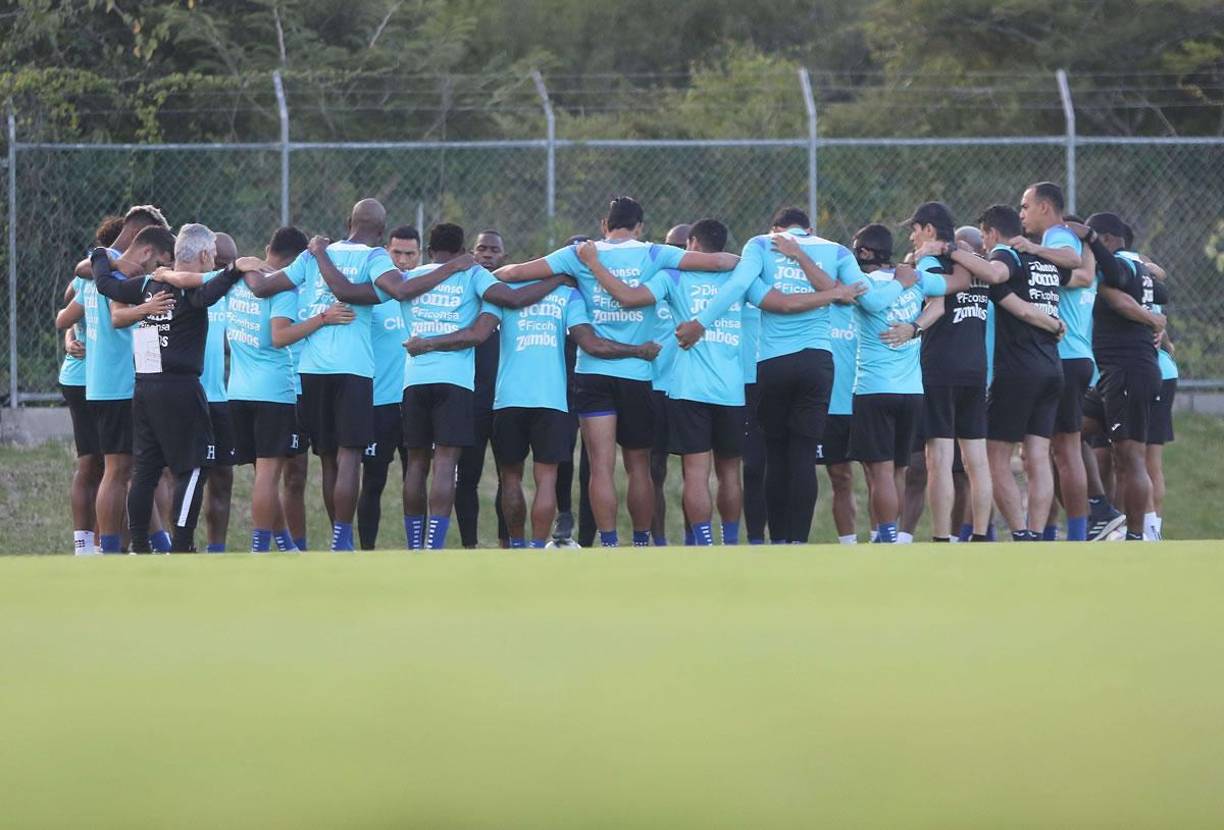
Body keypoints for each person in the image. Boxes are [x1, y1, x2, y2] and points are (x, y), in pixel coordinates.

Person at [493, 196, 738, 547]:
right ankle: (639, 541)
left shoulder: (579, 254)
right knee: (638, 465)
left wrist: (493, 272)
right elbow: (718, 262)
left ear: (603, 225)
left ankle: (609, 543)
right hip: (639, 372)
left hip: (593, 371)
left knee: (601, 465)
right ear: (640, 227)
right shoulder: (655, 253)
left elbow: (512, 273)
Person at [324, 223, 568, 549]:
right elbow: (514, 298)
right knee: (445, 463)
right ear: (463, 249)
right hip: (454, 381)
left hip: (413, 381)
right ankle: (433, 544)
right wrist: (559, 278)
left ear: (427, 251)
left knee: (416, 464)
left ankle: (414, 545)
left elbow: (359, 293)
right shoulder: (471, 273)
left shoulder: (409, 277)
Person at [676, 207, 908, 544]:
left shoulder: (761, 243)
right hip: (817, 362)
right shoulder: (836, 250)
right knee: (802, 453)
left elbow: (741, 284)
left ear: (776, 229)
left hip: (773, 363)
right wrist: (899, 283)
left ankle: (779, 539)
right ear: (810, 229)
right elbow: (869, 301)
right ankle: (798, 541)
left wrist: (701, 323)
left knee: (775, 453)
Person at [240, 199, 447, 551]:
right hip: (353, 369)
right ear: (381, 232)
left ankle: (341, 542)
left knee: (328, 458)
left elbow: (261, 288)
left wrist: (242, 267)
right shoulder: (373, 257)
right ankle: (341, 540)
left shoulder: (310, 255)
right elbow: (398, 287)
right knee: (350, 455)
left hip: (311, 370)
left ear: (347, 221)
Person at [409, 262, 655, 548]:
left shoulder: (499, 293)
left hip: (508, 399)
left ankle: (516, 546)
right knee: (546, 479)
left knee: (510, 478)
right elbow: (591, 344)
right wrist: (637, 350)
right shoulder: (567, 294)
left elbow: (479, 332)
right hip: (550, 399)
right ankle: (538, 547)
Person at [90, 224, 241, 552]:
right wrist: (234, 269)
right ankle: (183, 545)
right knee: (195, 466)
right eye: (212, 257)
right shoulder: (190, 290)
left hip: (144, 388)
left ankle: (141, 545)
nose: (214, 262)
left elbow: (104, 284)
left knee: (146, 469)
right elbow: (210, 292)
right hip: (180, 388)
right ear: (203, 255)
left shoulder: (148, 283)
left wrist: (100, 255)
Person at [958, 205, 1070, 540]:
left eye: (985, 242)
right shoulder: (1044, 260)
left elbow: (995, 276)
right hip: (1052, 366)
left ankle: (1021, 532)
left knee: (995, 456)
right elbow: (1076, 272)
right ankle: (1037, 534)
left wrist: (953, 251)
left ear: (990, 233)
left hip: (1019, 369)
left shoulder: (1006, 253)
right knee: (1037, 455)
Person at [71, 219, 175, 553]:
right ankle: (109, 548)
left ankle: (160, 541)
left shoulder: (97, 270)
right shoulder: (113, 277)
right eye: (157, 263)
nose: (155, 272)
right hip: (116, 385)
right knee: (116, 471)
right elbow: (117, 317)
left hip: (103, 382)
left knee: (131, 469)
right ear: (146, 250)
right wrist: (149, 308)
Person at [841, 225, 942, 543]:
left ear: (865, 252)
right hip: (911, 392)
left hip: (874, 388)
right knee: (897, 470)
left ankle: (885, 537)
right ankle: (888, 535)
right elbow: (944, 297)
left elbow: (871, 304)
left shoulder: (864, 283)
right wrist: (916, 325)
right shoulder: (913, 281)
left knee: (880, 472)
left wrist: (913, 327)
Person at [904, 202, 995, 543]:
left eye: (914, 229)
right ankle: (982, 534)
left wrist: (914, 264)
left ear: (929, 230)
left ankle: (942, 537)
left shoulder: (930, 260)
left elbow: (933, 300)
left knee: (938, 458)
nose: (913, 237)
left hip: (940, 365)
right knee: (977, 459)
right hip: (976, 368)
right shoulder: (976, 264)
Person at [1079, 213, 1168, 540]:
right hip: (1112, 374)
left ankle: (1136, 536)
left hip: (1129, 370)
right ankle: (1102, 510)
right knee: (1072, 427)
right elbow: (1161, 291)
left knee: (1131, 458)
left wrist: (1149, 319)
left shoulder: (1120, 264)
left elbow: (1119, 288)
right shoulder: (1134, 268)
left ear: (1104, 240)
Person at [1017, 183, 1092, 541]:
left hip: (1064, 354)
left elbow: (1076, 267)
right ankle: (1050, 532)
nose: (1022, 214)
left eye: (1026, 206)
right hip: (1067, 355)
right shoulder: (1068, 239)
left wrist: (1031, 249)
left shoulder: (1058, 236)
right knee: (1046, 452)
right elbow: (1084, 273)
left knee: (1064, 451)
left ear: (1045, 207)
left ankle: (1078, 535)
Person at [54, 215, 123, 554]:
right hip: (93, 378)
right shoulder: (107, 277)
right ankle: (91, 544)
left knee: (95, 464)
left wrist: (70, 332)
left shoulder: (87, 276)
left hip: (82, 378)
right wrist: (71, 333)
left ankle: (91, 543)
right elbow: (67, 314)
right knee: (102, 464)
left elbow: (66, 312)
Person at [356, 225, 420, 550]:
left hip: (416, 403)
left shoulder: (426, 295)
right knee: (373, 482)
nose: (404, 261)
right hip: (378, 403)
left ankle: (418, 549)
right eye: (397, 253)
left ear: (420, 255)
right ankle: (366, 552)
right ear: (386, 252)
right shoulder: (372, 296)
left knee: (417, 478)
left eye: (410, 254)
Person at [455, 229, 510, 548]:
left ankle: (507, 542)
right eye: (481, 249)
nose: (488, 254)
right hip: (469, 400)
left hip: (504, 400)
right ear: (472, 254)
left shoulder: (512, 295)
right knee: (467, 478)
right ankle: (469, 546)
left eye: (494, 250)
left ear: (504, 256)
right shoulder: (462, 294)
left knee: (509, 476)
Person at [199, 232, 239, 552]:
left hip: (220, 400)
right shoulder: (184, 287)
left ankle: (217, 552)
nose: (224, 272)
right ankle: (176, 546)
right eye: (220, 264)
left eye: (229, 266)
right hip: (188, 399)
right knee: (184, 480)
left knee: (223, 478)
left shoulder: (237, 292)